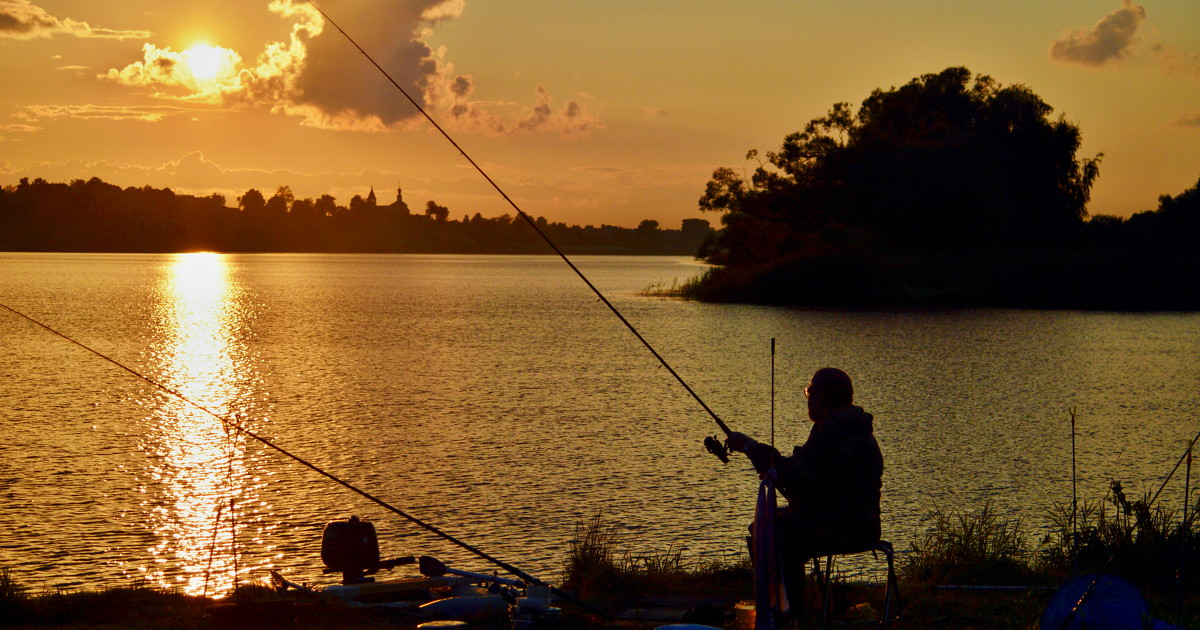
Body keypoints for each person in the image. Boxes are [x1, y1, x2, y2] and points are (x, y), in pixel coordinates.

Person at [726, 367, 884, 602]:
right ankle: (780, 603)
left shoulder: (837, 433)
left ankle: (786, 611)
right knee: (764, 524)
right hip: (846, 517)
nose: (808, 398)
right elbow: (807, 476)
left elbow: (794, 474)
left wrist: (750, 447)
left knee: (773, 531)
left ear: (821, 396)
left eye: (809, 392)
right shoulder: (844, 425)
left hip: (850, 526)